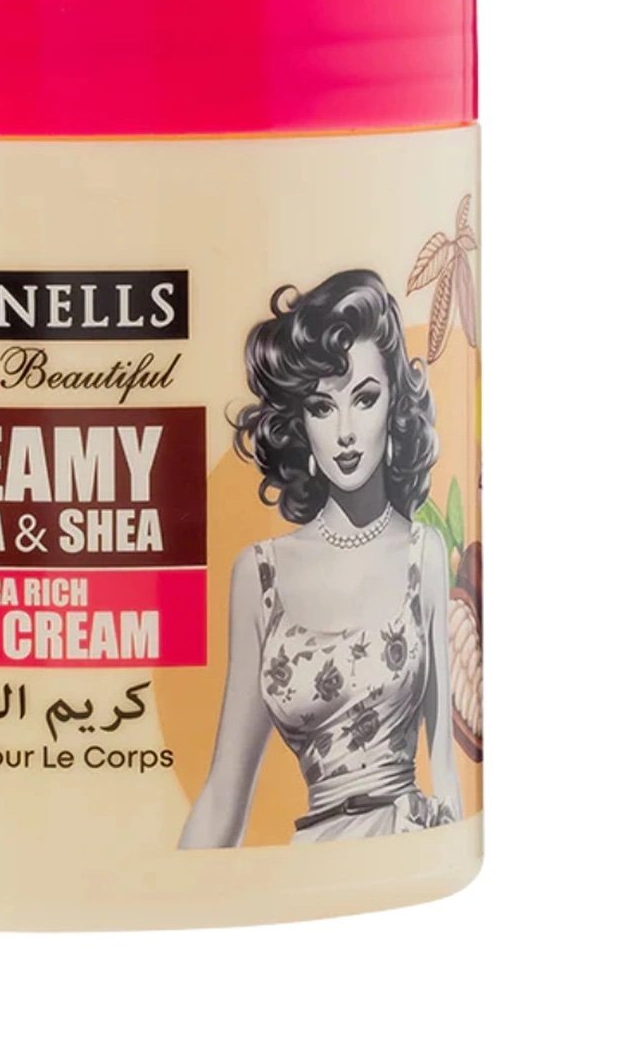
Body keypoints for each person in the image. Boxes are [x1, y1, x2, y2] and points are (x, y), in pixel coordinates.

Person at [180, 270, 462, 847]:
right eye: (321, 407)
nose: (346, 432)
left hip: (401, 839)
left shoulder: (424, 554)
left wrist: (449, 844)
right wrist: (160, 884)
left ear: (394, 402)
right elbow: (224, 795)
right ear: (300, 421)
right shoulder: (259, 574)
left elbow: (447, 767)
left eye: (365, 398)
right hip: (313, 849)